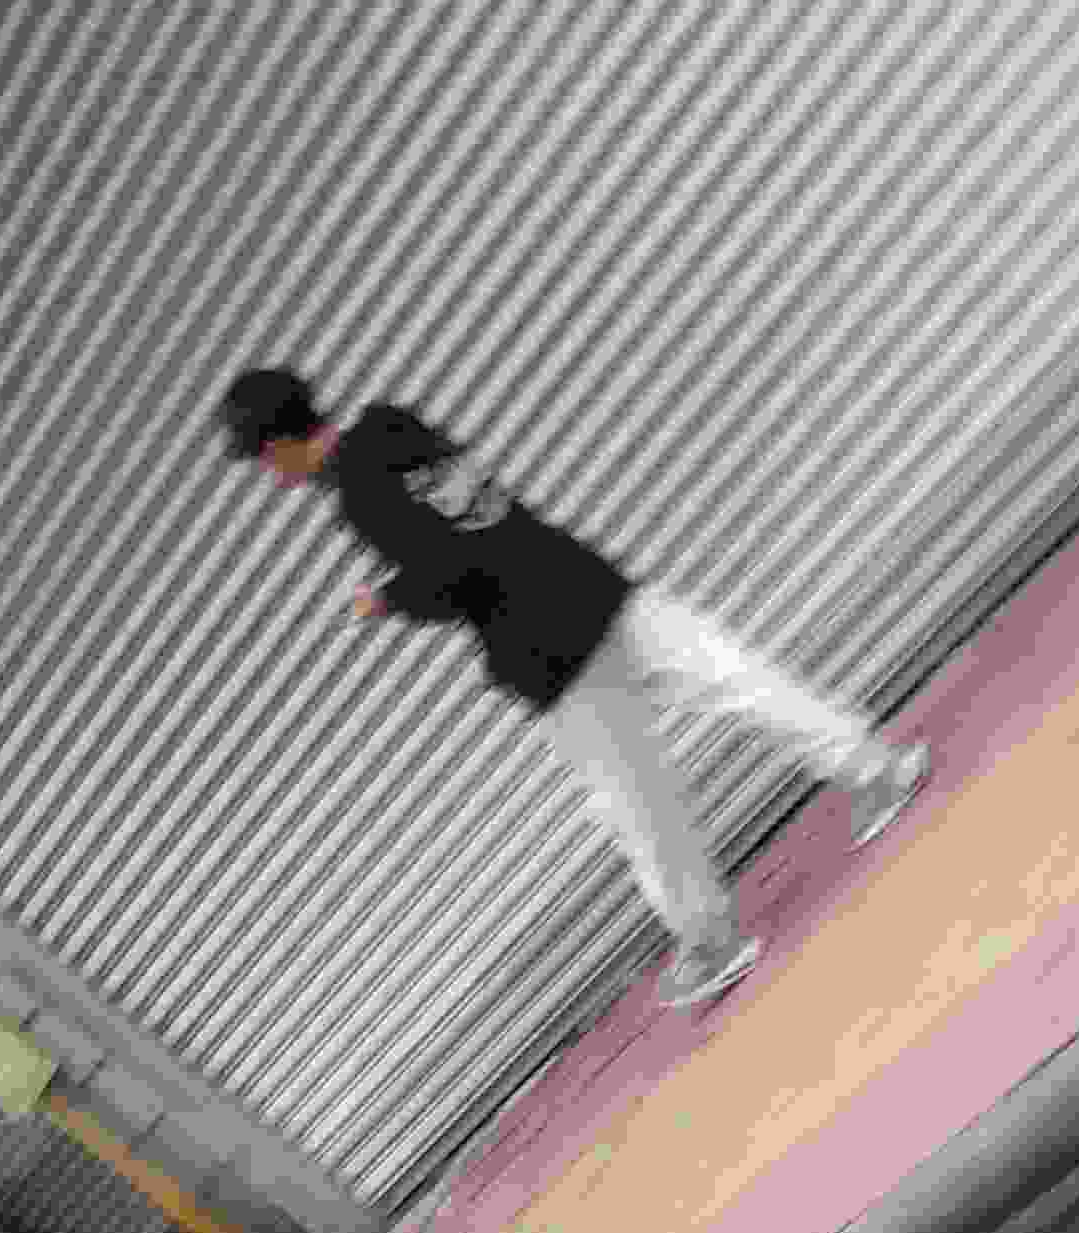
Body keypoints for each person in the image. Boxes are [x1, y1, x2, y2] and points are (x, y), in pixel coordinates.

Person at [219, 364, 933, 1014]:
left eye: (262, 460)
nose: (272, 477)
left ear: (276, 447)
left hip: (545, 648)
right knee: (736, 679)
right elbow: (476, 514)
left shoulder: (357, 495)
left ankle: (714, 945)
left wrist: (384, 600)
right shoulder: (390, 424)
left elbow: (450, 576)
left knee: (640, 807)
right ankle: (878, 769)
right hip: (584, 582)